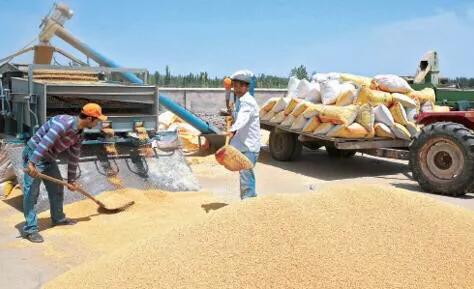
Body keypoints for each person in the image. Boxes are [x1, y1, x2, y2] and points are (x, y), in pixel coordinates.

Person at [22, 103, 107, 243]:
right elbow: (45, 142)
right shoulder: (63, 124)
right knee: (31, 192)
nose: (98, 123)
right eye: (98, 120)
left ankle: (58, 218)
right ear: (90, 119)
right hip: (34, 153)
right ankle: (30, 229)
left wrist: (71, 180)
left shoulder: (79, 135)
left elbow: (74, 158)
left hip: (48, 157)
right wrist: (32, 163)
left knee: (57, 189)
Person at [227, 70, 261, 199]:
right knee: (246, 176)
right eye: (235, 86)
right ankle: (250, 203)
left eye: (241, 86)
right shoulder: (241, 101)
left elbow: (242, 120)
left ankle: (248, 207)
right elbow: (238, 117)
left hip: (249, 147)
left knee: (246, 178)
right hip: (244, 146)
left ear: (247, 87)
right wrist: (231, 114)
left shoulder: (247, 102)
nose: (237, 89)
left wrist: (232, 131)